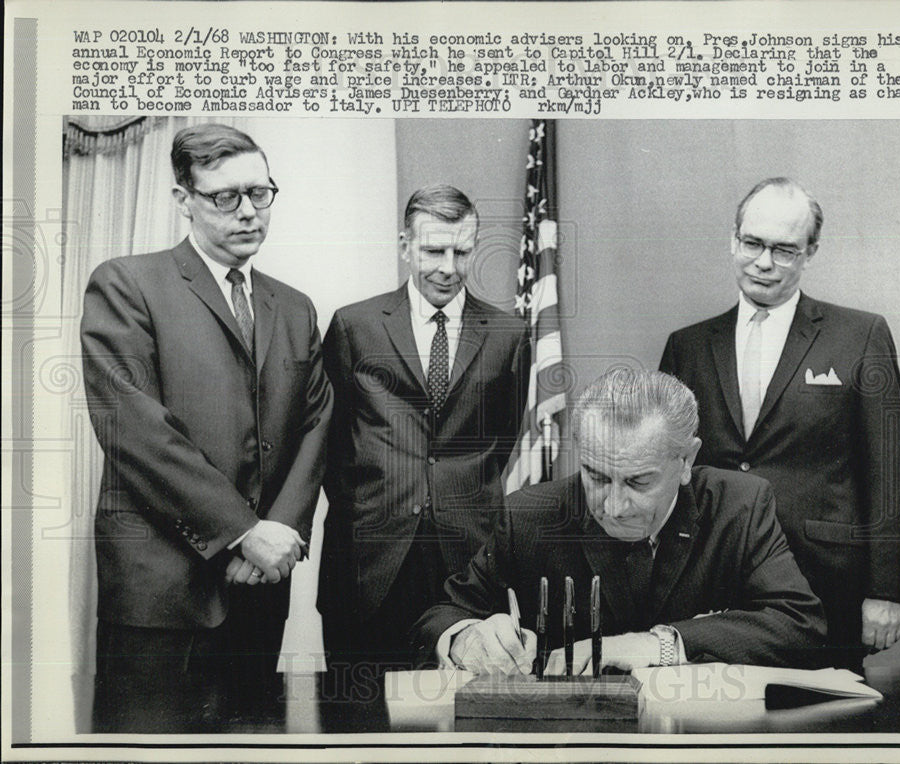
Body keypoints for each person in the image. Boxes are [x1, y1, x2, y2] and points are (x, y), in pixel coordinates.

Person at [81, 124, 333, 730]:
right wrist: (242, 532)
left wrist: (278, 536)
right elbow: (138, 433)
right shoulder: (126, 284)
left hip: (259, 590)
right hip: (160, 597)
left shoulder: (293, 306)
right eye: (225, 197)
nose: (248, 212)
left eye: (259, 193)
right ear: (183, 200)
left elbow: (317, 425)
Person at [413, 369, 826, 674]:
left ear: (687, 461)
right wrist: (465, 640)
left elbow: (800, 626)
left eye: (637, 481)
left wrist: (653, 646)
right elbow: (440, 616)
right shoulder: (528, 516)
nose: (613, 505)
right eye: (595, 476)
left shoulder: (741, 505)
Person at [659, 177, 900, 671]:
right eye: (752, 243)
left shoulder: (861, 336)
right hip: (712, 582)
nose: (763, 262)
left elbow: (889, 474)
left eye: (784, 249)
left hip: (825, 585)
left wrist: (887, 590)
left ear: (810, 251)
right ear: (733, 240)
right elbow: (665, 471)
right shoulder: (686, 346)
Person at [317, 185, 529, 685]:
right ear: (405, 245)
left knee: (464, 714)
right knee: (358, 715)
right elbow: (329, 444)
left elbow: (502, 441)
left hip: (465, 559)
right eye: (434, 250)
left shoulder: (507, 334)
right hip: (368, 558)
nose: (448, 268)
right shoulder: (355, 325)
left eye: (462, 251)